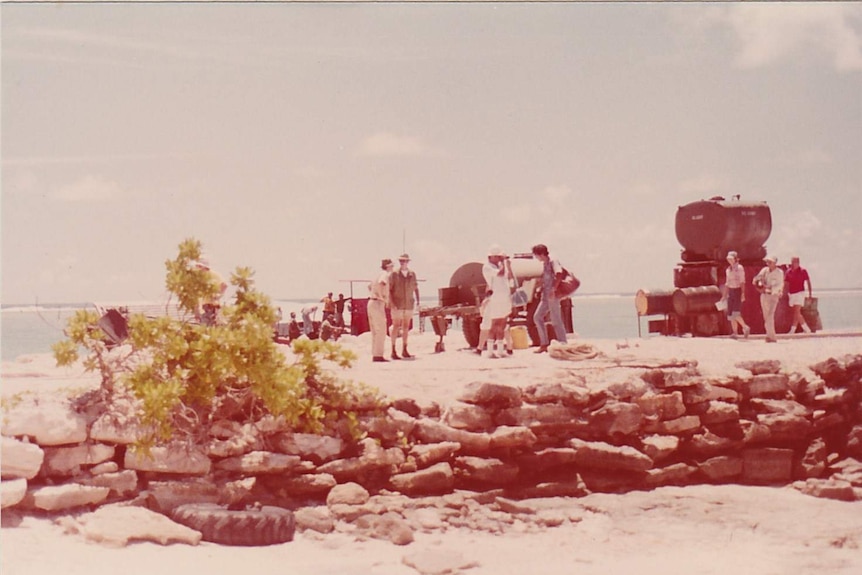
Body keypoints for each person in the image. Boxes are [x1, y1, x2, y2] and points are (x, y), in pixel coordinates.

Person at [531, 244, 568, 353]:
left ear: (541, 254)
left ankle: (563, 343)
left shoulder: (553, 261)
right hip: (545, 295)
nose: (536, 258)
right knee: (537, 317)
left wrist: (553, 289)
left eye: (536, 255)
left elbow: (559, 274)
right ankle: (544, 344)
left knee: (556, 319)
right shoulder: (545, 263)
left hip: (553, 295)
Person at [481, 245, 515, 358]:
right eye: (498, 257)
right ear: (491, 257)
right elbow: (499, 274)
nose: (499, 259)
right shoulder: (488, 267)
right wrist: (504, 262)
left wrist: (508, 266)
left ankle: (500, 350)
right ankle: (490, 350)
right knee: (494, 324)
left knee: (502, 324)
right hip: (496, 298)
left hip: (504, 298)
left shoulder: (501, 266)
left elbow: (509, 277)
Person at [389, 253, 420, 360]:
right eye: (401, 261)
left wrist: (418, 301)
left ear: (408, 262)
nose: (403, 263)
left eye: (405, 261)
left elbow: (416, 287)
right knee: (396, 326)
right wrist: (392, 303)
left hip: (408, 304)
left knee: (406, 327)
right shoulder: (394, 274)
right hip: (397, 304)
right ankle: (393, 350)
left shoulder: (412, 274)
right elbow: (389, 290)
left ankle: (404, 349)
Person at [753, 255, 784, 343]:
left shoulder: (779, 273)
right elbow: (757, 278)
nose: (768, 264)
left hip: (773, 295)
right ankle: (769, 336)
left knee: (770, 315)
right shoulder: (764, 270)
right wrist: (758, 283)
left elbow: (780, 284)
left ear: (774, 263)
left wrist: (776, 290)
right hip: (764, 295)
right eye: (767, 262)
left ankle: (772, 336)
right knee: (766, 316)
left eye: (770, 262)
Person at [368, 258, 394, 362]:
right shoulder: (385, 275)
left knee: (374, 330)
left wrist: (375, 293)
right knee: (381, 330)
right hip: (378, 302)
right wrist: (382, 296)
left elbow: (369, 286)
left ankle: (375, 354)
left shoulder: (377, 274)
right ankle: (378, 355)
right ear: (388, 266)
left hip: (371, 302)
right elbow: (382, 282)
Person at [722, 251, 751, 339]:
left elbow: (742, 281)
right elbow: (727, 283)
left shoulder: (739, 268)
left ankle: (745, 327)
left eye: (731, 258)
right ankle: (735, 332)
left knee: (736, 313)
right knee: (730, 315)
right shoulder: (728, 270)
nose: (729, 260)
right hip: (731, 291)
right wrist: (724, 295)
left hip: (737, 290)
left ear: (735, 259)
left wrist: (742, 293)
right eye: (728, 259)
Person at [193, 257, 227, 326]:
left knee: (208, 327)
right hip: (203, 307)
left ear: (205, 267)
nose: (198, 268)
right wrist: (196, 312)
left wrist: (218, 295)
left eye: (200, 266)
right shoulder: (198, 278)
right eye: (198, 266)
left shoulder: (213, 275)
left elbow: (224, 285)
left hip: (211, 305)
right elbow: (196, 296)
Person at [785, 256, 813, 334]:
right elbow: (786, 283)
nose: (793, 263)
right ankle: (799, 329)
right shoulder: (788, 272)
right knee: (796, 312)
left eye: (795, 262)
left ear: (798, 262)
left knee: (796, 312)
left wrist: (810, 294)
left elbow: (808, 282)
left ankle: (802, 329)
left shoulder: (803, 271)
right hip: (791, 293)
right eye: (792, 262)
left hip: (800, 293)